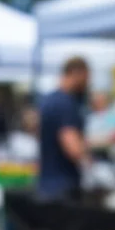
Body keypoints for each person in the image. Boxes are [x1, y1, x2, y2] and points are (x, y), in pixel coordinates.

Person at [37, 57, 90, 201]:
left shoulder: (48, 100)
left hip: (46, 183)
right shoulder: (66, 104)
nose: (87, 83)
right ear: (77, 74)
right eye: (86, 78)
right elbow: (72, 147)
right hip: (63, 187)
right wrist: (89, 157)